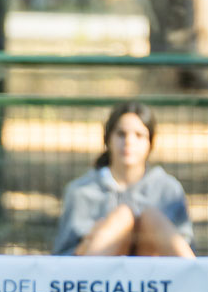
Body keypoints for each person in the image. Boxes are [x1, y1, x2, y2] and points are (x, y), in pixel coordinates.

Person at [53, 101, 195, 258]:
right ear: (108, 139)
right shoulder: (81, 190)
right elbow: (63, 255)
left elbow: (186, 245)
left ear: (150, 142)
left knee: (150, 217)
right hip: (99, 270)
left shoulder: (168, 189)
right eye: (121, 134)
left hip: (153, 270)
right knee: (122, 217)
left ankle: (195, 274)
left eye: (139, 135)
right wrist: (93, 239)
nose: (129, 142)